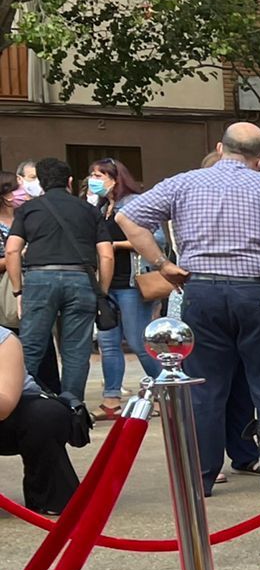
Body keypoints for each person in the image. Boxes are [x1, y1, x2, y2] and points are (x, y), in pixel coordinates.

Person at [115, 125, 260, 492]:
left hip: (202, 291)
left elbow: (127, 218)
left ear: (220, 147)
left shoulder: (184, 183)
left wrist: (162, 263)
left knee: (205, 387)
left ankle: (202, 476)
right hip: (257, 292)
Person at [6, 158, 112, 406]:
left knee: (32, 346)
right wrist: (102, 292)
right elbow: (106, 254)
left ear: (40, 182)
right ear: (70, 181)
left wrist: (18, 290)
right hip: (81, 279)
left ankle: (22, 404)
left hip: (39, 278)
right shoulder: (89, 210)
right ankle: (72, 409)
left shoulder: (28, 210)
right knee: (76, 350)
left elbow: (12, 251)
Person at [86, 158, 153, 418]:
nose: (94, 180)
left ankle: (164, 392)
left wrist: (114, 246)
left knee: (138, 341)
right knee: (109, 343)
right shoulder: (101, 206)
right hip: (107, 283)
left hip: (130, 283)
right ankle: (111, 399)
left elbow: (153, 238)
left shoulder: (133, 203)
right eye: (92, 174)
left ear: (116, 179)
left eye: (100, 175)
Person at [0, 325, 80, 513]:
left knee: (45, 414)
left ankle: (49, 497)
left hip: (11, 418)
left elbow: (5, 406)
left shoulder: (4, 340)